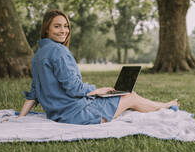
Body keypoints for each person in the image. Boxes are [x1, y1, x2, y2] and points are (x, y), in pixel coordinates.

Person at [19, 10, 179, 124]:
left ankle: (162, 105)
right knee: (130, 97)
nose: (64, 31)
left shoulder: (38, 54)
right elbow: (74, 89)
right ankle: (165, 107)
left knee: (126, 96)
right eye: (57, 26)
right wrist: (96, 90)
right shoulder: (58, 52)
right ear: (47, 28)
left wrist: (20, 118)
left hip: (58, 114)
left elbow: (34, 93)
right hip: (77, 115)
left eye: (66, 26)